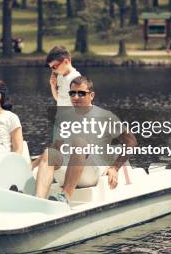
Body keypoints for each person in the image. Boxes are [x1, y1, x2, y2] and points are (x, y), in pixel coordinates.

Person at [34, 76, 137, 204]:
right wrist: (31, 166)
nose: (76, 97)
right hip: (68, 171)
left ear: (92, 95)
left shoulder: (105, 117)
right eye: (72, 93)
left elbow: (131, 142)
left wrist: (115, 168)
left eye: (81, 93)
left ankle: (65, 196)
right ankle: (39, 202)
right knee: (50, 153)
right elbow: (56, 148)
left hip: (93, 173)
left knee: (79, 142)